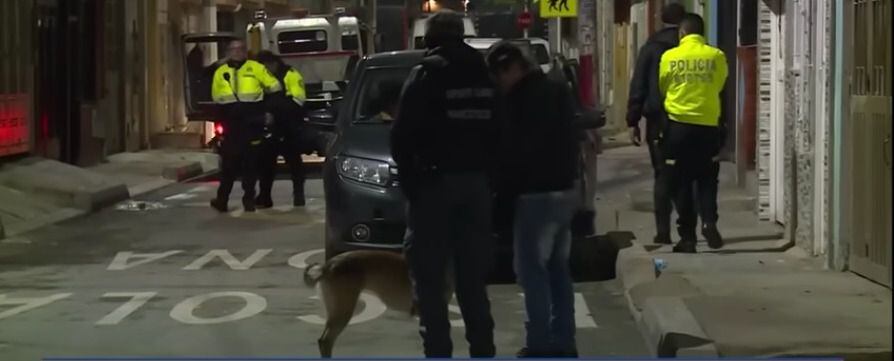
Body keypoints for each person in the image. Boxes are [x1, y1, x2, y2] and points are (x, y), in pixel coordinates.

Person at [390, 10, 499, 358]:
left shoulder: (426, 74)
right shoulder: (485, 73)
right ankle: (483, 350)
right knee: (472, 282)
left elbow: (402, 137)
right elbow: (501, 131)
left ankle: (438, 352)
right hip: (476, 186)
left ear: (431, 40)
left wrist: (413, 187)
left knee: (431, 282)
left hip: (435, 187)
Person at [487, 42, 580, 358]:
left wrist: (502, 197)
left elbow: (512, 153)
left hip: (534, 195)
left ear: (512, 68)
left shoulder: (517, 101)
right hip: (564, 191)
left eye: (500, 74)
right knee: (558, 269)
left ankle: (539, 343)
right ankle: (564, 340)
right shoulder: (557, 90)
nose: (499, 82)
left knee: (532, 272)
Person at [658, 13, 728, 253]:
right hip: (707, 127)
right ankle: (709, 221)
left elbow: (664, 86)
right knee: (707, 178)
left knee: (681, 183)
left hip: (678, 127)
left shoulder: (670, 56)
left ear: (682, 33)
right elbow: (719, 84)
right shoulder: (716, 56)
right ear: (702, 33)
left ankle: (687, 237)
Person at [626, 3, 686, 245]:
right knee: (687, 175)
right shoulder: (696, 48)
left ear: (662, 20)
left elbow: (638, 84)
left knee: (663, 174)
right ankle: (688, 229)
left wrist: (633, 121)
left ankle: (663, 231)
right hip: (691, 119)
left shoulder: (651, 48)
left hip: (658, 121)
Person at [209, 39, 283, 213]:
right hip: (231, 123)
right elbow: (217, 99)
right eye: (233, 49)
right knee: (228, 164)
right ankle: (222, 200)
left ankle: (249, 199)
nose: (237, 52)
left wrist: (268, 112)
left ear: (245, 51)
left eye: (240, 49)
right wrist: (219, 124)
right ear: (228, 52)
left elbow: (275, 88)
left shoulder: (256, 68)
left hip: (252, 122)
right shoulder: (221, 72)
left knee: (250, 164)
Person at [254, 50, 308, 208]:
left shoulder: (290, 75)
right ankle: (265, 197)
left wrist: (273, 111)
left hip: (289, 126)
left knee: (294, 163)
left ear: (273, 63)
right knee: (266, 164)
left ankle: (299, 195)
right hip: (271, 128)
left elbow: (298, 101)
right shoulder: (263, 78)